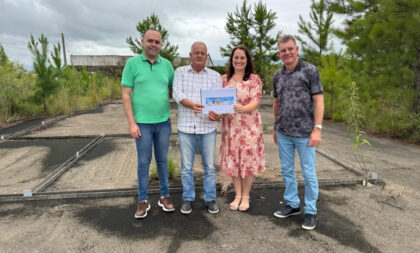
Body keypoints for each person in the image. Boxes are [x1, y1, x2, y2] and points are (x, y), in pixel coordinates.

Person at [121, 29, 175, 219]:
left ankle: (165, 196)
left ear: (161, 45)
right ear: (142, 42)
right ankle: (142, 200)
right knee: (143, 162)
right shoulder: (132, 64)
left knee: (162, 161)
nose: (154, 44)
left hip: (163, 123)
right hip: (141, 124)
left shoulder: (167, 65)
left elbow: (177, 89)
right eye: (150, 41)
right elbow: (126, 94)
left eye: (158, 42)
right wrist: (131, 123)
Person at [272, 35, 324, 230]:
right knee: (287, 170)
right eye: (283, 50)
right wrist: (276, 126)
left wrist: (317, 129)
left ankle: (310, 210)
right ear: (279, 54)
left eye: (290, 49)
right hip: (284, 132)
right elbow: (276, 102)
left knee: (309, 173)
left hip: (305, 133)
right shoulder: (277, 75)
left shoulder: (310, 71)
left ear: (297, 49)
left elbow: (318, 100)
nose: (287, 53)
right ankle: (293, 204)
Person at [173, 41, 222, 214]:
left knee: (209, 166)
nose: (200, 55)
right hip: (186, 127)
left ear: (207, 56)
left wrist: (218, 114)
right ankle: (188, 197)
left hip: (207, 127)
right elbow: (177, 93)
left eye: (203, 53)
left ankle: (210, 198)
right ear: (190, 55)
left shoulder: (215, 76)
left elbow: (219, 101)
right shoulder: (180, 72)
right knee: (186, 166)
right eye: (196, 52)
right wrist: (191, 104)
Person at [219, 45, 265, 212]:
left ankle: (246, 195)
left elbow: (256, 100)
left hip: (249, 127)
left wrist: (243, 109)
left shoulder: (254, 79)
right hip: (230, 127)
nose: (238, 61)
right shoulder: (224, 79)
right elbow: (218, 101)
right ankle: (237, 194)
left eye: (242, 58)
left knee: (247, 161)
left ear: (247, 60)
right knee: (235, 160)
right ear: (231, 60)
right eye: (236, 57)